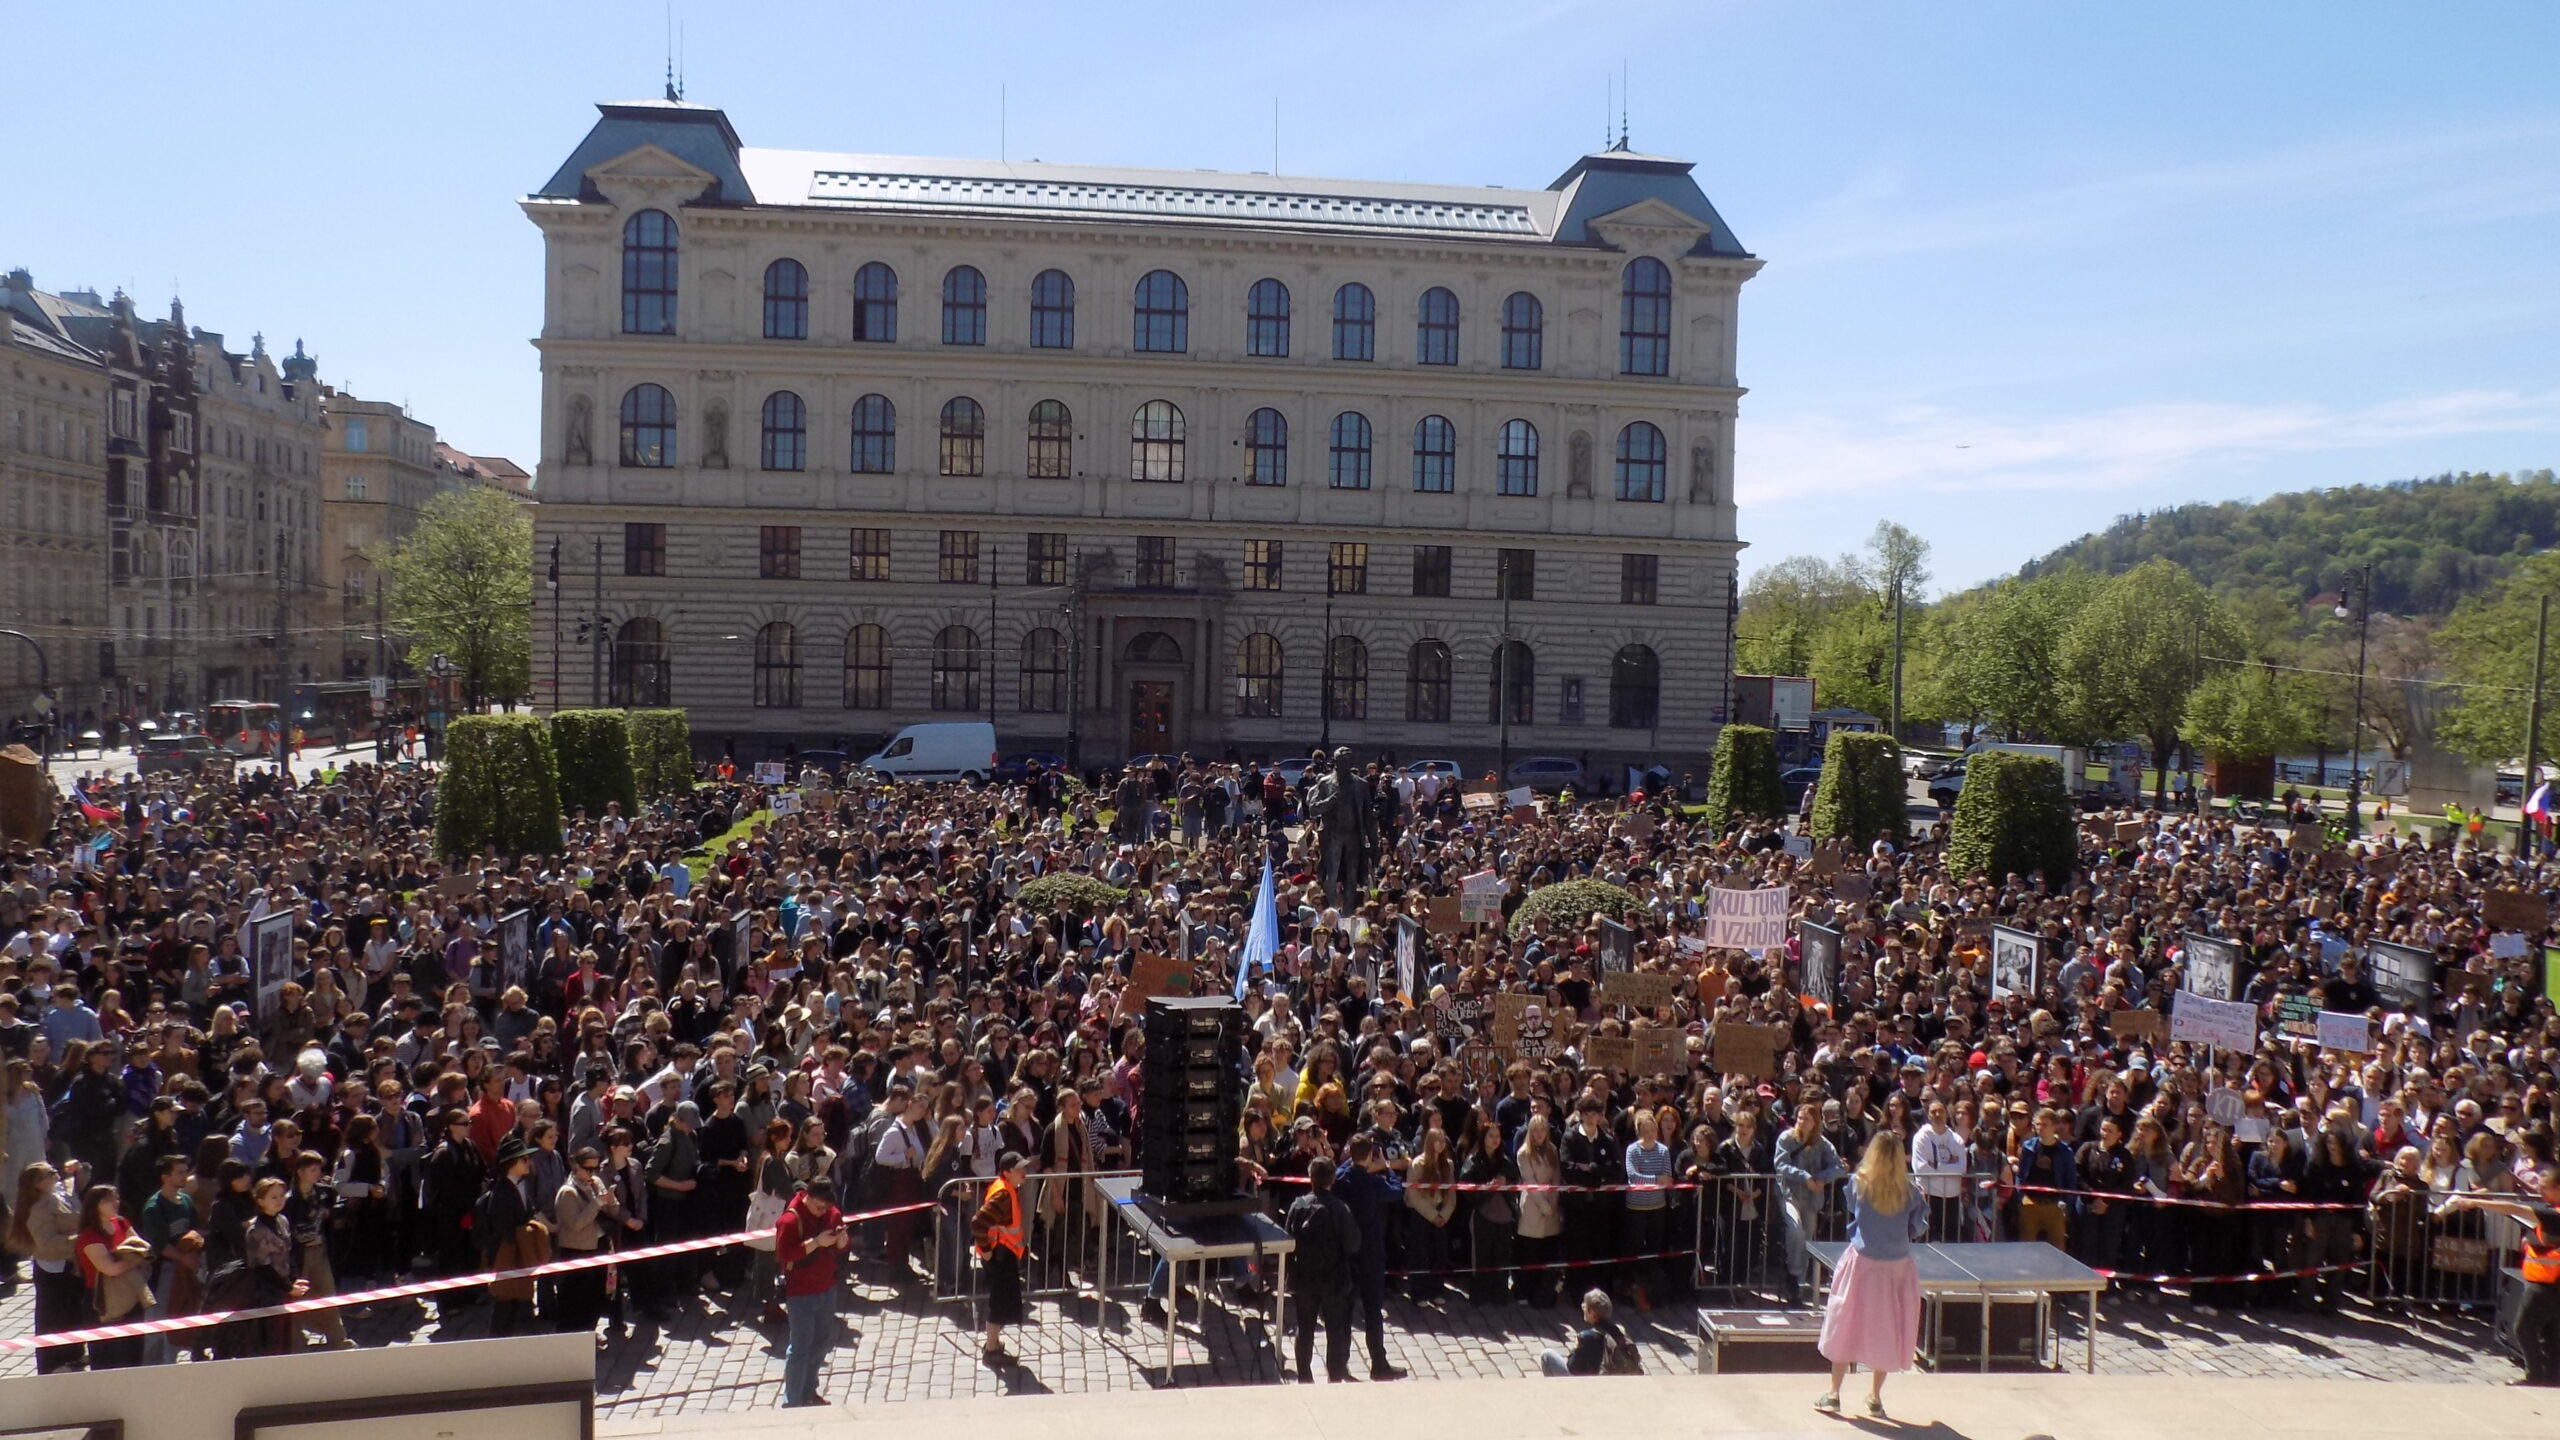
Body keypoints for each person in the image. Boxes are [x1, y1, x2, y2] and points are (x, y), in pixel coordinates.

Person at [1815, 1134, 1928, 1419]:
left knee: (1845, 1321)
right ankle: (1875, 1397)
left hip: (1863, 1261)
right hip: (1897, 1264)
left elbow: (1852, 1210)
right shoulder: (1910, 1191)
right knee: (1888, 1326)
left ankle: (1833, 1393)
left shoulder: (1858, 1184)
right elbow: (1917, 1228)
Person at [2441, 1170, 2560, 1386]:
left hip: (2546, 1285)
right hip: (2550, 1284)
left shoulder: (2554, 1214)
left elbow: (2513, 1208)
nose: (2539, 1190)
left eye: (2544, 1187)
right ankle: (2552, 1377)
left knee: (2523, 1329)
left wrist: (2474, 1202)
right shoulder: (2552, 1213)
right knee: (2550, 1332)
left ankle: (2535, 1375)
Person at [1332, 1134, 1408, 1380]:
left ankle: (1339, 1364)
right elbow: (1396, 1191)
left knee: (1345, 1310)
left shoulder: (1342, 1180)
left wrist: (1353, 1158)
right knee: (1373, 1311)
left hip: (1348, 1251)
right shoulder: (1372, 1183)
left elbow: (1341, 1169)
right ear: (1369, 1156)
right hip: (1371, 1252)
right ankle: (1378, 1363)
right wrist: (1387, 1167)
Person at [1283, 1152, 1361, 1383]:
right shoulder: (1339, 1208)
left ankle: (1304, 1377)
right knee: (1335, 1331)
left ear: (1310, 1177)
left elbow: (1287, 1241)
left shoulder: (1298, 1206)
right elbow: (1353, 1243)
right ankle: (1334, 1378)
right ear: (1332, 1179)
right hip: (1333, 1280)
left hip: (1304, 1279)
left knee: (1305, 1329)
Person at [774, 1175, 848, 1405]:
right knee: (800, 1347)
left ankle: (809, 1392)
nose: (822, 1211)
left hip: (827, 1287)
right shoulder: (790, 1220)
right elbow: (785, 1254)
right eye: (818, 1206)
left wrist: (841, 1241)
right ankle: (793, 1399)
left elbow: (842, 1246)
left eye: (826, 1207)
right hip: (801, 1292)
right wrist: (816, 1242)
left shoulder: (831, 1213)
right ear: (808, 1196)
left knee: (820, 1343)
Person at [969, 1151, 1028, 1368]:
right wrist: (985, 1250)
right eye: (1019, 1169)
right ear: (1007, 1172)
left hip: (1002, 1254)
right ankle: (991, 1350)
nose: (1024, 1172)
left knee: (1001, 1300)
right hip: (999, 1255)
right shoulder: (1003, 1194)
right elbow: (978, 1222)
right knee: (999, 1302)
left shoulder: (1005, 1188)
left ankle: (992, 1342)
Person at [1539, 1287, 1634, 1376]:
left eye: (1584, 1306)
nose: (1583, 1308)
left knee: (1547, 1355)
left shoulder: (1586, 1337)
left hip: (1589, 1383)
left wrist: (1575, 1349)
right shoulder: (1619, 1331)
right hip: (1612, 1379)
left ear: (1592, 1313)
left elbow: (1572, 1368)